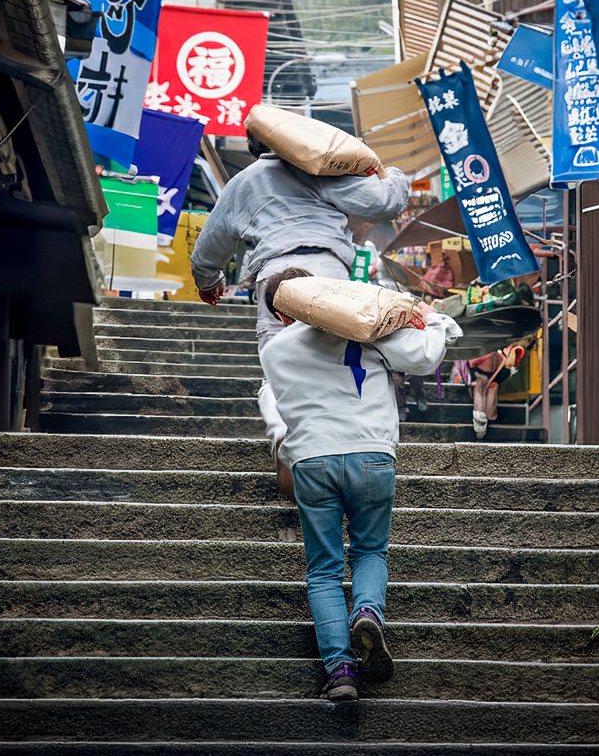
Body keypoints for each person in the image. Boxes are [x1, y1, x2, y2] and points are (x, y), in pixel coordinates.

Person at [258, 268, 463, 701]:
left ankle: (341, 672)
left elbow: (276, 404)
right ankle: (367, 611)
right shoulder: (365, 328)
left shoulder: (273, 351)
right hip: (372, 454)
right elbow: (424, 357)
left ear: (280, 313)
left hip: (311, 460)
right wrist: (436, 320)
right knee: (369, 550)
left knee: (323, 571)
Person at [190, 132, 411, 352]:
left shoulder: (242, 181)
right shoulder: (321, 170)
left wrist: (208, 281)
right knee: (329, 353)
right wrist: (392, 175)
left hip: (273, 274)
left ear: (252, 143)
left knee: (278, 356)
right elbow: (384, 203)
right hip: (328, 269)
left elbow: (210, 243)